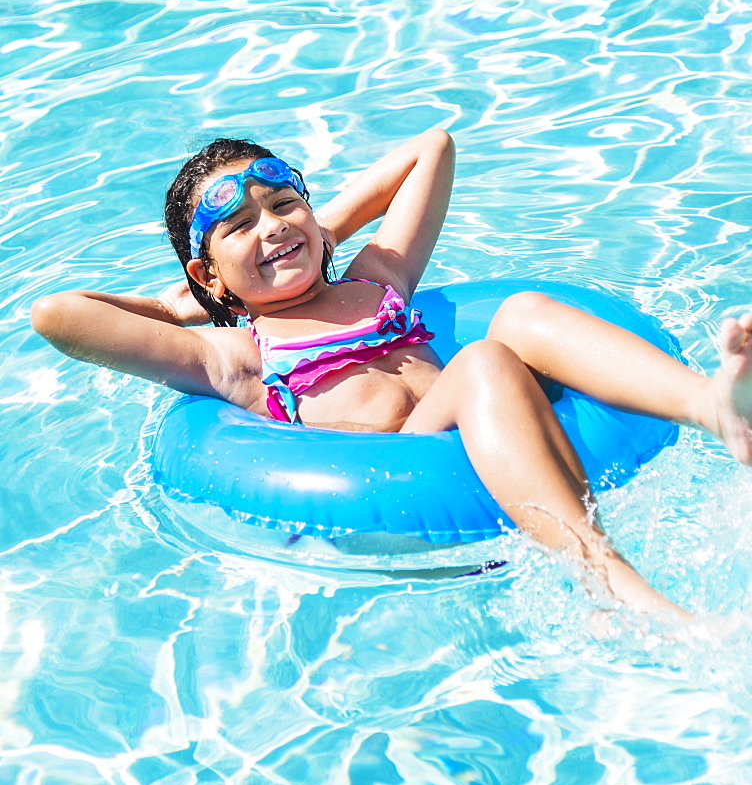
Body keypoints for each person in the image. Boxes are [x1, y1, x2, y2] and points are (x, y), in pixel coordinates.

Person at [31, 129, 752, 619]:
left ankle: (714, 406)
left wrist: (319, 231)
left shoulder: (379, 282)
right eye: (239, 227)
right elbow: (56, 315)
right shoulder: (238, 357)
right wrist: (180, 303)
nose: (272, 227)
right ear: (206, 272)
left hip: (483, 432)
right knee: (485, 362)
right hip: (410, 485)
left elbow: (431, 149)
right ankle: (610, 580)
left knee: (525, 315)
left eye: (283, 206)